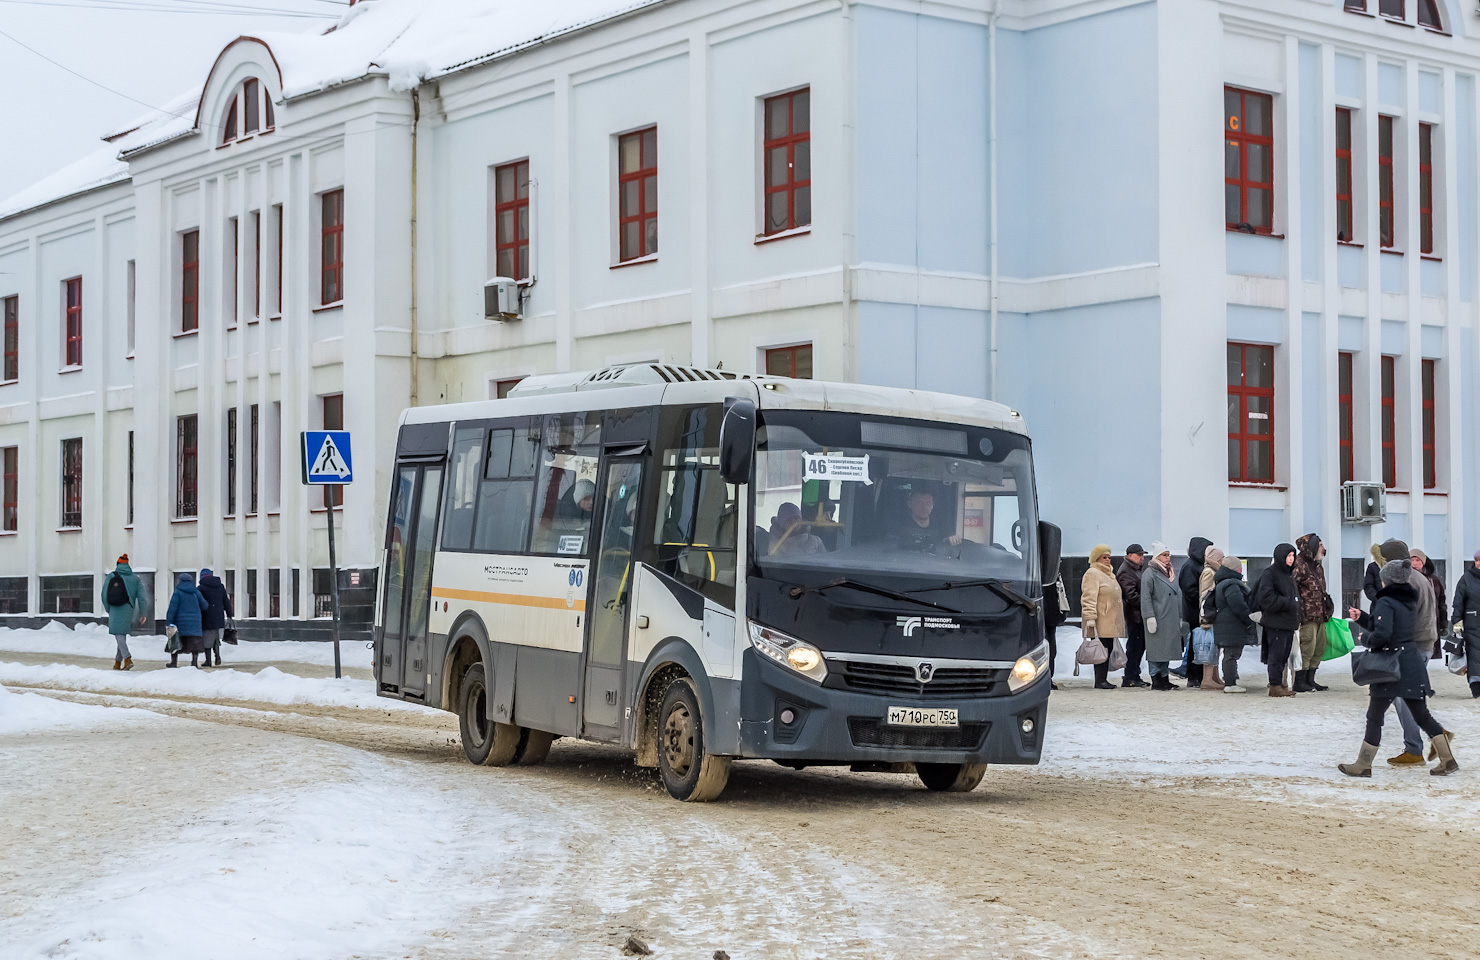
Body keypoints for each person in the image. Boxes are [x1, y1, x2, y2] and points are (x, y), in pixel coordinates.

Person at [1338, 559, 1457, 777]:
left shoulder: (1386, 602)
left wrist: (1366, 639)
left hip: (1391, 669)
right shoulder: (1407, 601)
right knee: (1422, 715)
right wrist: (1364, 618)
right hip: (1410, 665)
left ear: (1387, 580)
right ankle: (1448, 759)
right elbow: (1394, 626)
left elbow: (1383, 634)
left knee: (1374, 716)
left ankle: (1363, 764)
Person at [1292, 534, 1335, 693]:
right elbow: (1294, 589)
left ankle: (1310, 679)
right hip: (1307, 615)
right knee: (1307, 647)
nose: (1323, 549)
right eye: (1320, 545)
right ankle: (1300, 680)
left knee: (1318, 648)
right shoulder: (1299, 565)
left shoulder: (1317, 565)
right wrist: (1299, 612)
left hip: (1320, 614)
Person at [1080, 545, 1124, 691]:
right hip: (1100, 619)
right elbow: (1088, 596)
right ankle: (1100, 680)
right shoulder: (1092, 573)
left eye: (1109, 557)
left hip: (1110, 619)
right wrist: (1090, 616)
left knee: (1108, 648)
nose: (1107, 560)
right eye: (1104, 557)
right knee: (1101, 650)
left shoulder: (1109, 574)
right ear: (1096, 558)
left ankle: (1102, 679)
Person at [1141, 542, 1184, 691]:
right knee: (1156, 650)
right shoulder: (1150, 573)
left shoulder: (1170, 572)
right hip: (1158, 617)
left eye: (1168, 555)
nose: (1168, 558)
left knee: (1166, 649)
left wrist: (1179, 616)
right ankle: (1156, 679)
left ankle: (1164, 678)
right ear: (1157, 556)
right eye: (1164, 555)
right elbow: (1145, 597)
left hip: (1169, 617)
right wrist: (1149, 616)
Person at [1212, 555, 1256, 693]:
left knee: (1230, 654)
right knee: (1231, 654)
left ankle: (1230, 680)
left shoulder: (1222, 582)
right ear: (1236, 568)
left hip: (1226, 624)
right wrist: (1248, 617)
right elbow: (1238, 605)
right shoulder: (1231, 584)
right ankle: (1230, 683)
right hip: (1232, 624)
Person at [1177, 537, 1213, 686]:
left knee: (1199, 644)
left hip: (1197, 610)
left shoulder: (1196, 565)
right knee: (1196, 645)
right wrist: (1203, 601)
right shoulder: (1191, 566)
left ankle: (1197, 675)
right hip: (1194, 611)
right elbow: (1188, 589)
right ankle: (1193, 675)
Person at [100, 554, 142, 671]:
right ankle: (117, 663)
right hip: (128, 608)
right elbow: (142, 597)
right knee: (121, 634)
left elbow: (104, 595)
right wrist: (143, 612)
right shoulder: (135, 578)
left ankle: (127, 658)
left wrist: (108, 609)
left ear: (118, 564)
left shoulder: (111, 576)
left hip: (114, 607)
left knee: (119, 634)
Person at [1116, 544, 1149, 688]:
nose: (1142, 558)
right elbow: (1131, 595)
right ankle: (1130, 676)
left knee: (1138, 647)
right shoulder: (1126, 571)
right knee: (1134, 647)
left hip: (1137, 614)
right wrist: (1147, 603)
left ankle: (1134, 675)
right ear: (1130, 555)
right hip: (1134, 615)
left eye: (1142, 555)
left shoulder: (1134, 570)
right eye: (1139, 555)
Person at [1450, 550, 1480, 699]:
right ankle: (1475, 685)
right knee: (1474, 654)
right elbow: (1458, 601)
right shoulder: (1466, 579)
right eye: (1477, 560)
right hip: (1472, 623)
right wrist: (1456, 620)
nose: (1479, 563)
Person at [165, 572, 210, 669]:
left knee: (175, 641)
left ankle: (174, 663)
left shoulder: (177, 592)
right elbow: (205, 606)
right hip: (195, 622)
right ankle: (194, 662)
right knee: (194, 642)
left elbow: (172, 609)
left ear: (180, 581)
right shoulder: (196, 592)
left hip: (180, 623)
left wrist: (169, 622)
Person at [892, 486, 962, 548]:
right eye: (919, 502)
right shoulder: (898, 524)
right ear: (909, 504)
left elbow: (949, 540)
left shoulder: (941, 525)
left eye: (928, 503)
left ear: (932, 505)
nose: (924, 507)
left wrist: (953, 540)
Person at [1197, 545, 1227, 691]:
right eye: (1221, 558)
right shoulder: (1209, 572)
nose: (1222, 561)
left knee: (1215, 648)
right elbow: (1205, 595)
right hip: (1209, 616)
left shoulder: (1214, 571)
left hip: (1213, 614)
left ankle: (1215, 677)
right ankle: (1208, 679)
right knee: (1209, 647)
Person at [198, 568, 234, 667]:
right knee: (215, 638)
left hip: (206, 616)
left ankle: (208, 660)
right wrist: (229, 614)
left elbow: (198, 603)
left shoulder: (201, 588)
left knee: (207, 639)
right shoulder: (220, 586)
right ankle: (217, 656)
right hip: (218, 616)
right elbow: (226, 601)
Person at [1043, 566, 1069, 691]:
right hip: (1040, 614)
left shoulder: (1053, 573)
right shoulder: (1036, 571)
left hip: (1050, 616)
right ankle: (1043, 678)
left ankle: (1048, 677)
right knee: (1045, 650)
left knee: (1051, 650)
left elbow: (1060, 593)